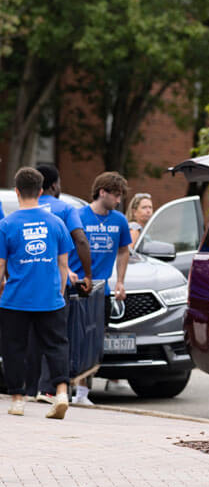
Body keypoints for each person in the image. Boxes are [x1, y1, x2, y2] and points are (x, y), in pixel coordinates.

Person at [1, 167, 74, 419]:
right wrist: (60, 293)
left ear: (17, 191)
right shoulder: (57, 223)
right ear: (41, 191)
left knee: (14, 348)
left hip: (15, 299)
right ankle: (62, 392)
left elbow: (0, 267)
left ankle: (18, 399)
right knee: (56, 345)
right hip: (50, 298)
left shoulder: (6, 225)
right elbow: (63, 265)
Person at [68, 172, 131, 406]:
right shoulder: (78, 216)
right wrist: (66, 271)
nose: (118, 200)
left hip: (101, 290)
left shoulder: (119, 220)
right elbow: (62, 245)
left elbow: (124, 250)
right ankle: (65, 387)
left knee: (94, 341)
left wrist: (120, 281)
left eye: (120, 196)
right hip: (77, 287)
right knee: (72, 338)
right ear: (102, 192)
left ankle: (83, 393)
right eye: (115, 195)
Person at [36, 164, 93, 292]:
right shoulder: (66, 209)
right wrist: (88, 275)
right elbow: (81, 240)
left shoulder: (24, 210)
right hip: (58, 283)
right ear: (54, 186)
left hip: (28, 284)